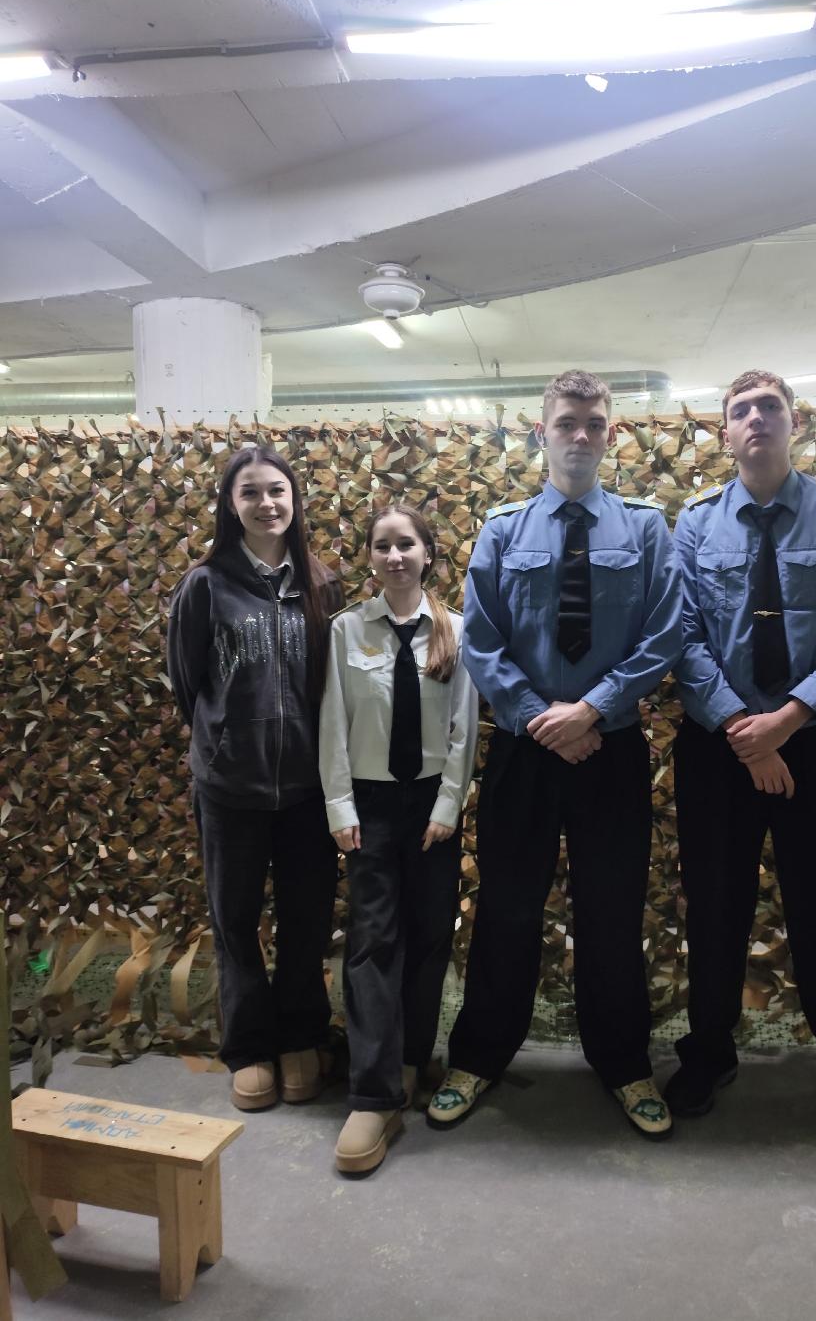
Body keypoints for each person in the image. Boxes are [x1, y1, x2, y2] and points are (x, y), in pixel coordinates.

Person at [427, 369, 683, 1140]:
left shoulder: (644, 529)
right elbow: (482, 640)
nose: (580, 435)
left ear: (610, 434)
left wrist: (592, 710)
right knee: (506, 909)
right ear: (541, 433)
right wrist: (543, 718)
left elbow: (665, 632)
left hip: (610, 747)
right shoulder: (504, 530)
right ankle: (478, 1057)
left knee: (612, 912)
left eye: (593, 423)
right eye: (566, 422)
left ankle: (625, 1063)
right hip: (525, 749)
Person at [667, 369, 816, 1153]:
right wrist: (745, 728)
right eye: (741, 410)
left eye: (770, 407)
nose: (757, 419)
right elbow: (682, 636)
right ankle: (708, 1056)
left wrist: (788, 719)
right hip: (721, 742)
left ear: (793, 424)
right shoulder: (697, 523)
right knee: (715, 908)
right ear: (725, 433)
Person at [167, 446, 342, 1113]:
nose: (267, 503)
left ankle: (301, 1036)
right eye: (251, 492)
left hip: (307, 789)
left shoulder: (322, 584)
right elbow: (188, 686)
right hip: (229, 790)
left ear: (294, 499)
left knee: (305, 921)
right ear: (230, 503)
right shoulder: (205, 585)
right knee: (235, 922)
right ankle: (247, 1047)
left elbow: (333, 685)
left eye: (277, 490)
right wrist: (226, 744)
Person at [319, 504, 479, 1175]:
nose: (394, 556)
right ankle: (374, 1094)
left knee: (431, 934)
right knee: (373, 941)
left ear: (427, 554)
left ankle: (412, 1057)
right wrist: (339, 805)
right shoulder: (347, 630)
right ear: (370, 557)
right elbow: (333, 720)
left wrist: (448, 804)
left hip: (432, 805)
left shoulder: (455, 630)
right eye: (382, 545)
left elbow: (464, 726)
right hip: (372, 805)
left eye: (406, 544)